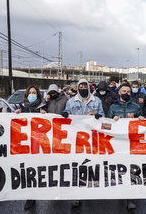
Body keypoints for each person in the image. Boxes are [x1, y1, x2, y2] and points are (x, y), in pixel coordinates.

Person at [62, 79, 104, 207]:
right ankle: (77, 195)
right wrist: (64, 115)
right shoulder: (71, 102)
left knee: (91, 165)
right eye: (80, 86)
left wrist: (99, 116)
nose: (83, 88)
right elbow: (67, 115)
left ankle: (90, 191)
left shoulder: (96, 101)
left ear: (88, 87)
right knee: (77, 166)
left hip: (92, 138)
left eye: (84, 86)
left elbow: (102, 115)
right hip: (76, 139)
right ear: (78, 88)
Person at [106, 83, 144, 210]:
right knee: (119, 168)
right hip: (117, 143)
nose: (126, 93)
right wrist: (112, 121)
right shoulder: (113, 107)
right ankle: (120, 190)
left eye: (128, 91)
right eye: (124, 91)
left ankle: (130, 197)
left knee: (132, 169)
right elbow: (105, 124)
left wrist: (141, 119)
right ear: (119, 92)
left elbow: (143, 123)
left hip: (131, 142)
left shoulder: (136, 107)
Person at [14, 85, 45, 209]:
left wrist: (45, 114)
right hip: (25, 145)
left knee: (38, 169)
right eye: (30, 93)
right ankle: (30, 197)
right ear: (27, 95)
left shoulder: (42, 108)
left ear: (37, 95)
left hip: (38, 144)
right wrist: (15, 114)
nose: (32, 94)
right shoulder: (21, 108)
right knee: (27, 170)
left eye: (34, 92)